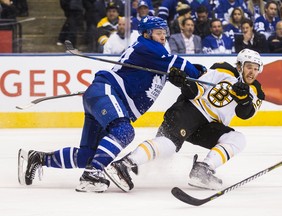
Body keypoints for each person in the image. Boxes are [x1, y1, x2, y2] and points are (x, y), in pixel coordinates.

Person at [19, 16, 204, 193]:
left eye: (164, 32)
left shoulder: (156, 57)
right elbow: (186, 67)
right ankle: (91, 176)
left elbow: (178, 71)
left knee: (88, 156)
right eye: (158, 32)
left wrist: (180, 76)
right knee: (124, 131)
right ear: (147, 34)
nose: (163, 36)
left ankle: (37, 158)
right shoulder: (148, 47)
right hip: (107, 93)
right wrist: (200, 72)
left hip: (103, 97)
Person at [106, 48, 265, 191]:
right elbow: (196, 90)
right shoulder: (224, 70)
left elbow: (245, 114)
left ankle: (202, 169)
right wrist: (184, 83)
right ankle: (124, 164)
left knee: (238, 139)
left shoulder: (256, 90)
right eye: (249, 67)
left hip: (209, 127)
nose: (252, 72)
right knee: (168, 146)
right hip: (189, 111)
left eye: (256, 69)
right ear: (239, 66)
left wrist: (244, 99)